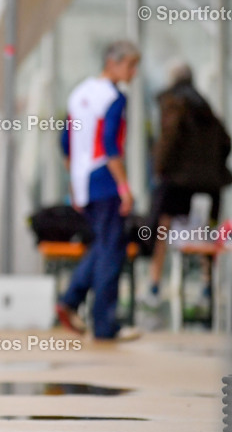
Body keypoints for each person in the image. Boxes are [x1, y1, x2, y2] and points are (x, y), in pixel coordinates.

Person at [56, 40, 141, 342]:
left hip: (83, 180)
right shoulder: (114, 97)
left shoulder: (78, 93)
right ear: (113, 63)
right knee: (112, 251)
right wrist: (124, 186)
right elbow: (110, 145)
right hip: (104, 179)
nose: (133, 72)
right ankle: (104, 323)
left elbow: (65, 143)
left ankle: (71, 299)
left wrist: (74, 180)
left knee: (104, 244)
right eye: (131, 65)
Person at [144, 61, 232, 308]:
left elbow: (168, 140)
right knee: (206, 231)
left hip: (178, 181)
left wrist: (161, 167)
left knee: (162, 226)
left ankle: (154, 283)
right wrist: (212, 166)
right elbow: (226, 141)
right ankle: (206, 285)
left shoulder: (173, 103)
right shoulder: (207, 108)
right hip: (209, 182)